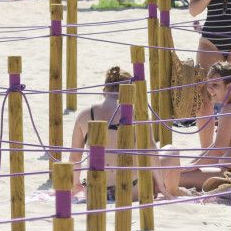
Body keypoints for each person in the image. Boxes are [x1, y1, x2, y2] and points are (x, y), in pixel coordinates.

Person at [69, 66, 176, 197]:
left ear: (104, 90)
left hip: (96, 191)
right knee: (172, 151)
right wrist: (160, 186)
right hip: (131, 190)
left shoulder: (85, 115)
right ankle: (173, 190)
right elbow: (151, 150)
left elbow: (75, 157)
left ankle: (174, 190)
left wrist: (76, 184)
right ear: (131, 91)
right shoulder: (137, 114)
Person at [174, 62, 231, 191]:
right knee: (179, 172)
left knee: (172, 177)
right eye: (209, 84)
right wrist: (194, 163)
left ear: (229, 87)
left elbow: (219, 150)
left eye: (215, 85)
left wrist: (192, 167)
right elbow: (217, 145)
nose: (210, 89)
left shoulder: (229, 109)